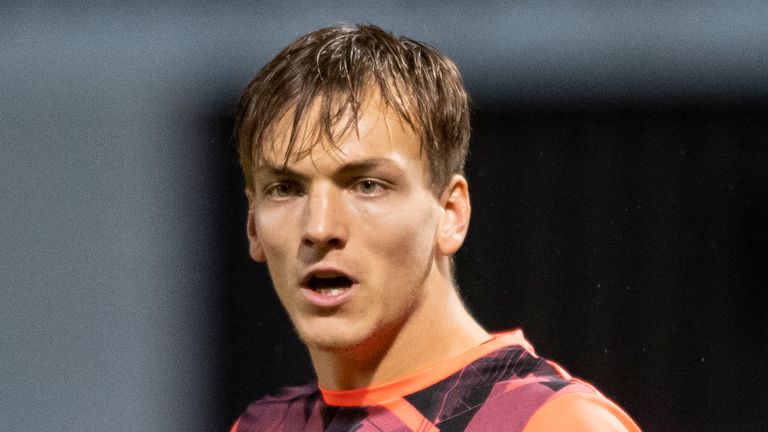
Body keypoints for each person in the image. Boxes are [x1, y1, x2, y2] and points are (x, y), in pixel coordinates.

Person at [230, 24, 640, 431]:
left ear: (450, 214)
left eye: (367, 185)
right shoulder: (262, 425)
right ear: (252, 224)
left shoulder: (553, 423)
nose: (319, 228)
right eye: (286, 189)